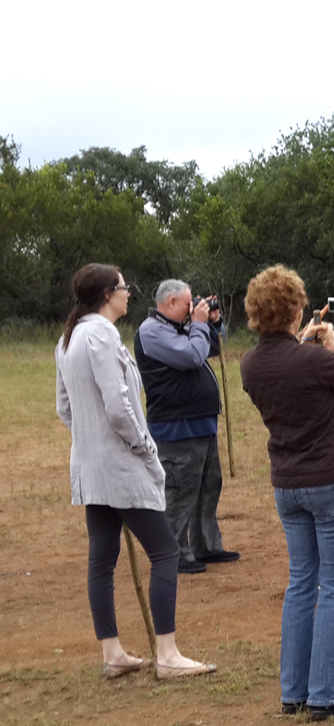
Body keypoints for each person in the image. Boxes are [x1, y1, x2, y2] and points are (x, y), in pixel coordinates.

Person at [55, 264, 216, 680]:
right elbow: (118, 406)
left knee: (101, 559)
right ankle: (167, 654)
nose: (129, 293)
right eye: (124, 287)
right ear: (108, 292)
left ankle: (112, 653)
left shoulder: (68, 337)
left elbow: (65, 408)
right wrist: (144, 447)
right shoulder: (101, 335)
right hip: (120, 466)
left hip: (91, 467)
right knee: (165, 551)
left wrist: (90, 440)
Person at [239, 265, 334, 721]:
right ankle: (325, 695)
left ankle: (294, 692)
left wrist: (307, 346)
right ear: (296, 309)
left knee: (302, 583)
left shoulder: (250, 363)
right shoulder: (312, 360)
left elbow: (290, 371)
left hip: (288, 484)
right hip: (330, 482)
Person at [135, 280, 239, 574]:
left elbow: (211, 349)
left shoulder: (180, 327)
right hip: (176, 427)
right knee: (180, 492)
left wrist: (213, 325)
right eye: (187, 302)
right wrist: (198, 323)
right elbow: (193, 355)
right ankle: (174, 553)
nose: (192, 307)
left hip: (201, 424)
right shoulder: (152, 331)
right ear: (170, 302)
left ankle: (206, 545)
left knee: (208, 487)